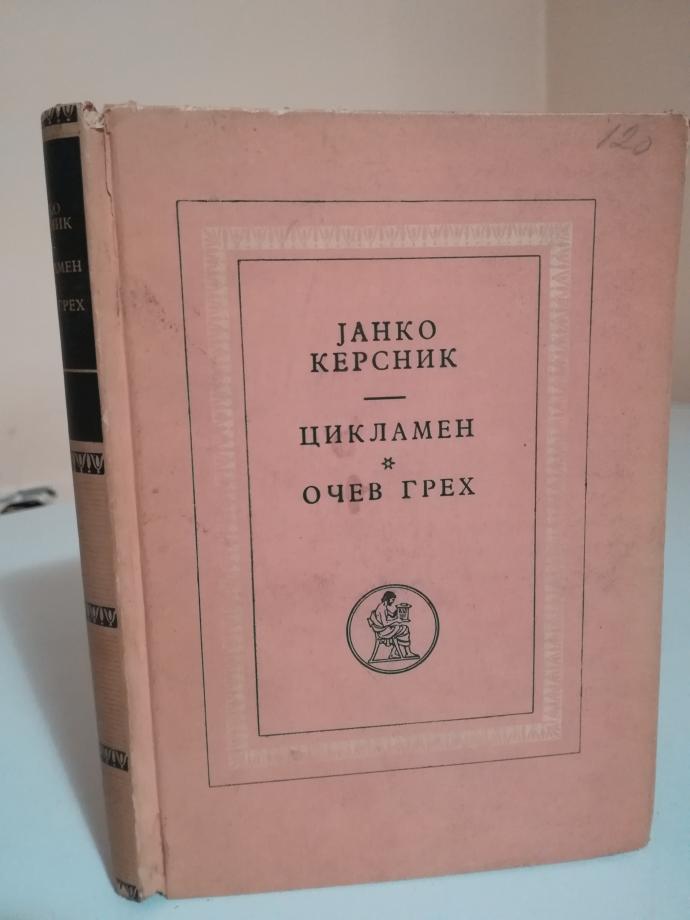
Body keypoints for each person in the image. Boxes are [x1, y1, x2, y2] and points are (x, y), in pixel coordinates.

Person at [370, 591, 416, 659]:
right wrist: (396, 620)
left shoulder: (383, 605)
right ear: (388, 598)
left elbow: (391, 615)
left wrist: (399, 609)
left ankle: (393, 653)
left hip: (385, 629)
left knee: (402, 629)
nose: (393, 601)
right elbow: (385, 623)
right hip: (383, 631)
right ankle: (407, 652)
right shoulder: (382, 608)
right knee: (405, 629)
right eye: (392, 599)